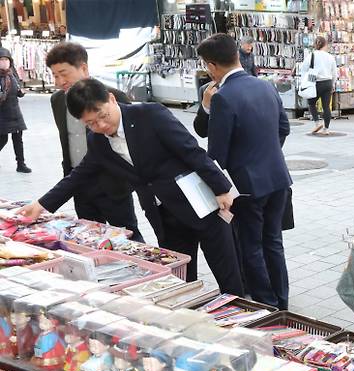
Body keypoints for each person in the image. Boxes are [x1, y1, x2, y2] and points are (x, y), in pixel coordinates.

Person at [17, 78, 243, 295]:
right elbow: (79, 176)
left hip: (199, 203)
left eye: (103, 116)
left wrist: (221, 188)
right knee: (181, 280)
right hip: (163, 215)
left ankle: (242, 320)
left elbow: (190, 150)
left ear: (112, 99)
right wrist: (41, 204)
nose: (101, 125)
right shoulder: (98, 142)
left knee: (227, 272)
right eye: (91, 123)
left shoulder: (150, 114)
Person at [197, 34, 291, 310]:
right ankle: (281, 301)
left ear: (212, 65)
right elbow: (283, 129)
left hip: (246, 184)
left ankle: (266, 304)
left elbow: (216, 151)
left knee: (252, 246)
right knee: (273, 241)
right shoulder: (266, 86)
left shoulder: (224, 97)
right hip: (278, 177)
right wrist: (266, 153)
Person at [45, 42, 143, 241]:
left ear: (83, 68)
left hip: (113, 185)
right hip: (79, 184)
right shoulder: (57, 101)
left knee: (126, 238)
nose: (59, 81)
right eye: (55, 75)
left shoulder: (111, 97)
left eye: (64, 73)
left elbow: (131, 142)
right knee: (88, 239)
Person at [0, 48, 30, 173]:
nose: (4, 62)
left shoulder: (12, 73)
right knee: (3, 139)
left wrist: (21, 92)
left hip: (15, 111)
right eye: (1, 59)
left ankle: (21, 164)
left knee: (18, 139)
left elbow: (17, 89)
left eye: (6, 59)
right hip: (2, 113)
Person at [301, 36, 337, 135]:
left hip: (315, 81)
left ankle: (317, 123)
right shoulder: (330, 56)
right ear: (325, 45)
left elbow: (303, 69)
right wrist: (333, 83)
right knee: (326, 107)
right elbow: (334, 72)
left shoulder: (311, 55)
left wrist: (306, 80)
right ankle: (326, 129)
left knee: (311, 103)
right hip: (327, 82)